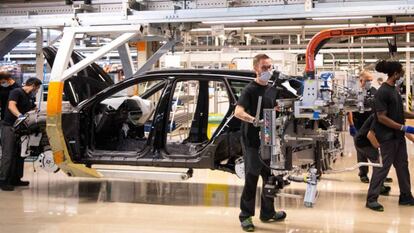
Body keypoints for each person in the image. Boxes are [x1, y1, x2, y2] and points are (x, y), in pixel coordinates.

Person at [234, 54, 286, 232]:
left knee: (269, 177)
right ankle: (245, 216)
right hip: (252, 141)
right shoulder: (250, 89)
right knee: (251, 178)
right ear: (256, 69)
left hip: (269, 140)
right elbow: (238, 112)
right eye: (264, 67)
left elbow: (274, 110)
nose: (268, 71)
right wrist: (254, 120)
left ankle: (267, 213)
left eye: (270, 67)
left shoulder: (272, 89)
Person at [366, 60, 414, 211]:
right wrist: (402, 127)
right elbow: (381, 117)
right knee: (383, 168)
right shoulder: (383, 92)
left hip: (397, 137)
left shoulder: (395, 90)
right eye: (401, 72)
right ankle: (371, 199)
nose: (403, 75)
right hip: (387, 137)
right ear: (395, 74)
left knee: (402, 166)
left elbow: (399, 112)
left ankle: (406, 196)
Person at [347, 70, 392, 183]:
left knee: (377, 149)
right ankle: (363, 174)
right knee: (361, 151)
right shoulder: (354, 93)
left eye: (371, 80)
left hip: (372, 126)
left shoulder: (374, 91)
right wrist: (351, 125)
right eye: (367, 80)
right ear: (361, 80)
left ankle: (380, 174)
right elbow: (349, 110)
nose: (370, 83)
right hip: (358, 125)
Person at [0, 78, 42, 191]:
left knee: (19, 155)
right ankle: (3, 180)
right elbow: (11, 106)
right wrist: (20, 115)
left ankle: (15, 179)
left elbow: (32, 108)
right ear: (33, 85)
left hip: (20, 129)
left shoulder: (29, 97)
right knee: (8, 155)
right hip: (9, 127)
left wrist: (36, 111)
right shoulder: (16, 92)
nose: (37, 91)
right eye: (37, 88)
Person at [354, 114, 392, 196]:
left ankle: (379, 185)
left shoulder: (384, 115)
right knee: (379, 163)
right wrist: (379, 148)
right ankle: (378, 188)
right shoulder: (379, 116)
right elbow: (370, 135)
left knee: (380, 163)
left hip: (365, 141)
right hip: (363, 143)